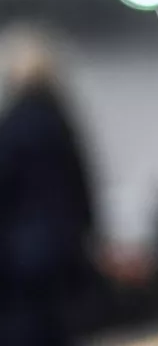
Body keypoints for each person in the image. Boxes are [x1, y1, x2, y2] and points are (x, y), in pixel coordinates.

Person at [0, 26, 100, 346]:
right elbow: (84, 188)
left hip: (21, 257)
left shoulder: (14, 124)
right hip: (64, 249)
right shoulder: (62, 122)